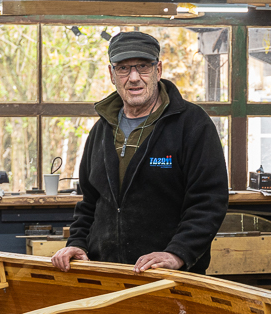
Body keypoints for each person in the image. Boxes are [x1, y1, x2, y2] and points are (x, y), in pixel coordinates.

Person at [51, 31, 229, 275]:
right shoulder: (101, 131)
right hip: (106, 273)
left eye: (143, 66)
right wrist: (77, 244)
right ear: (112, 74)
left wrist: (177, 253)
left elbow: (209, 201)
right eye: (123, 68)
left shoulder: (192, 125)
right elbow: (89, 203)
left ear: (159, 70)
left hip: (168, 277)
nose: (134, 77)